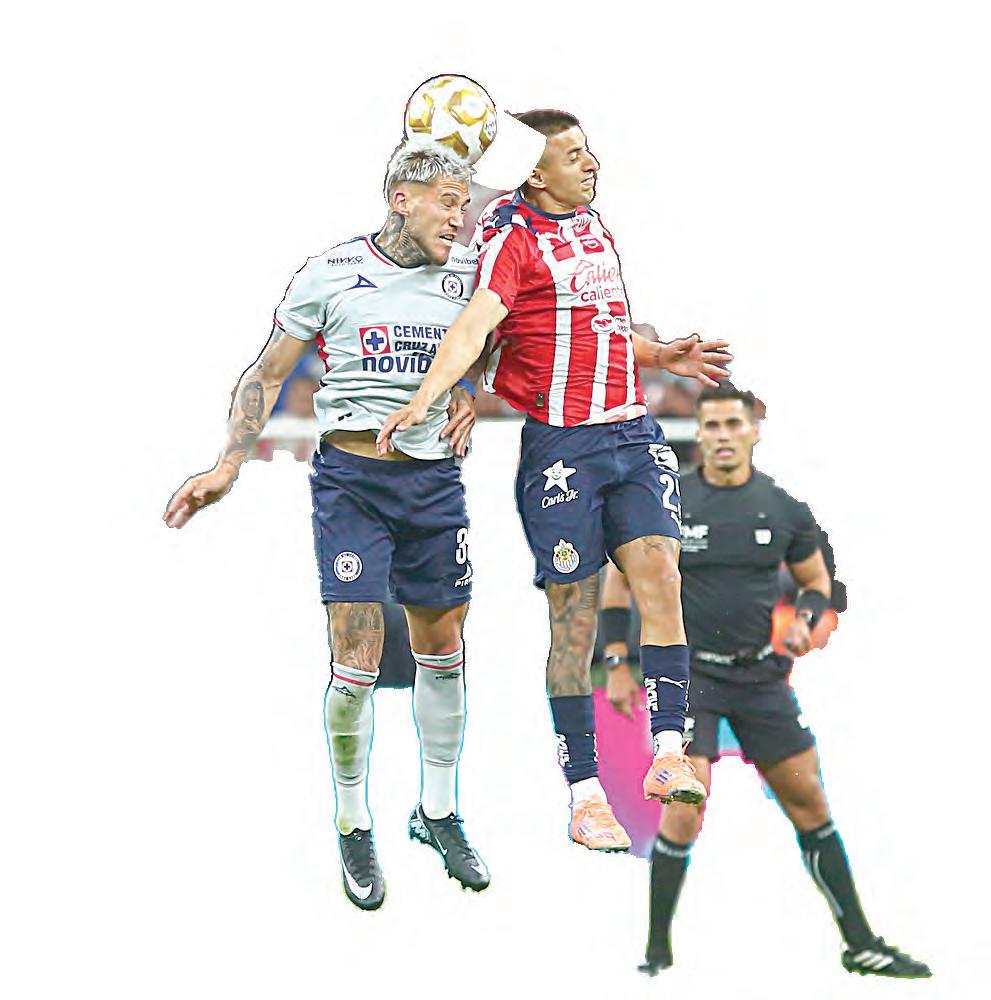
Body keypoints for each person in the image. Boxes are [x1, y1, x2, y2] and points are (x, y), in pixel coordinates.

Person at [377, 109, 732, 851]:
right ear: (536, 173)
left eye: (587, 150)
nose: (591, 163)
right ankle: (584, 794)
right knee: (573, 619)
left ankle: (669, 750)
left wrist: (658, 354)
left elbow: (591, 325)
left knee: (661, 573)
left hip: (631, 433)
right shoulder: (509, 236)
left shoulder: (593, 225)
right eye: (573, 156)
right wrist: (431, 393)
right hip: (563, 449)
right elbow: (476, 326)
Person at [164, 141, 491, 911]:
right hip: (353, 483)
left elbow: (497, 344)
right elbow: (267, 373)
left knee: (444, 649)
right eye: (448, 200)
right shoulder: (330, 273)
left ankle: (437, 811)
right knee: (357, 660)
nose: (460, 216)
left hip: (433, 483)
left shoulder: (468, 276)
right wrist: (227, 463)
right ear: (402, 198)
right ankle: (352, 822)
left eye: (465, 203)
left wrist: (470, 387)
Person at [602, 383, 931, 979]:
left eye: (734, 424)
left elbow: (816, 583)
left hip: (761, 679)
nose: (724, 436)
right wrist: (619, 661)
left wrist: (805, 620)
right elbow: (621, 580)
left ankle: (860, 944)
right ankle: (655, 954)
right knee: (684, 807)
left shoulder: (782, 508)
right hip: (691, 678)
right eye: (712, 426)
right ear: (700, 434)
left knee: (810, 803)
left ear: (753, 431)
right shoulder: (668, 502)